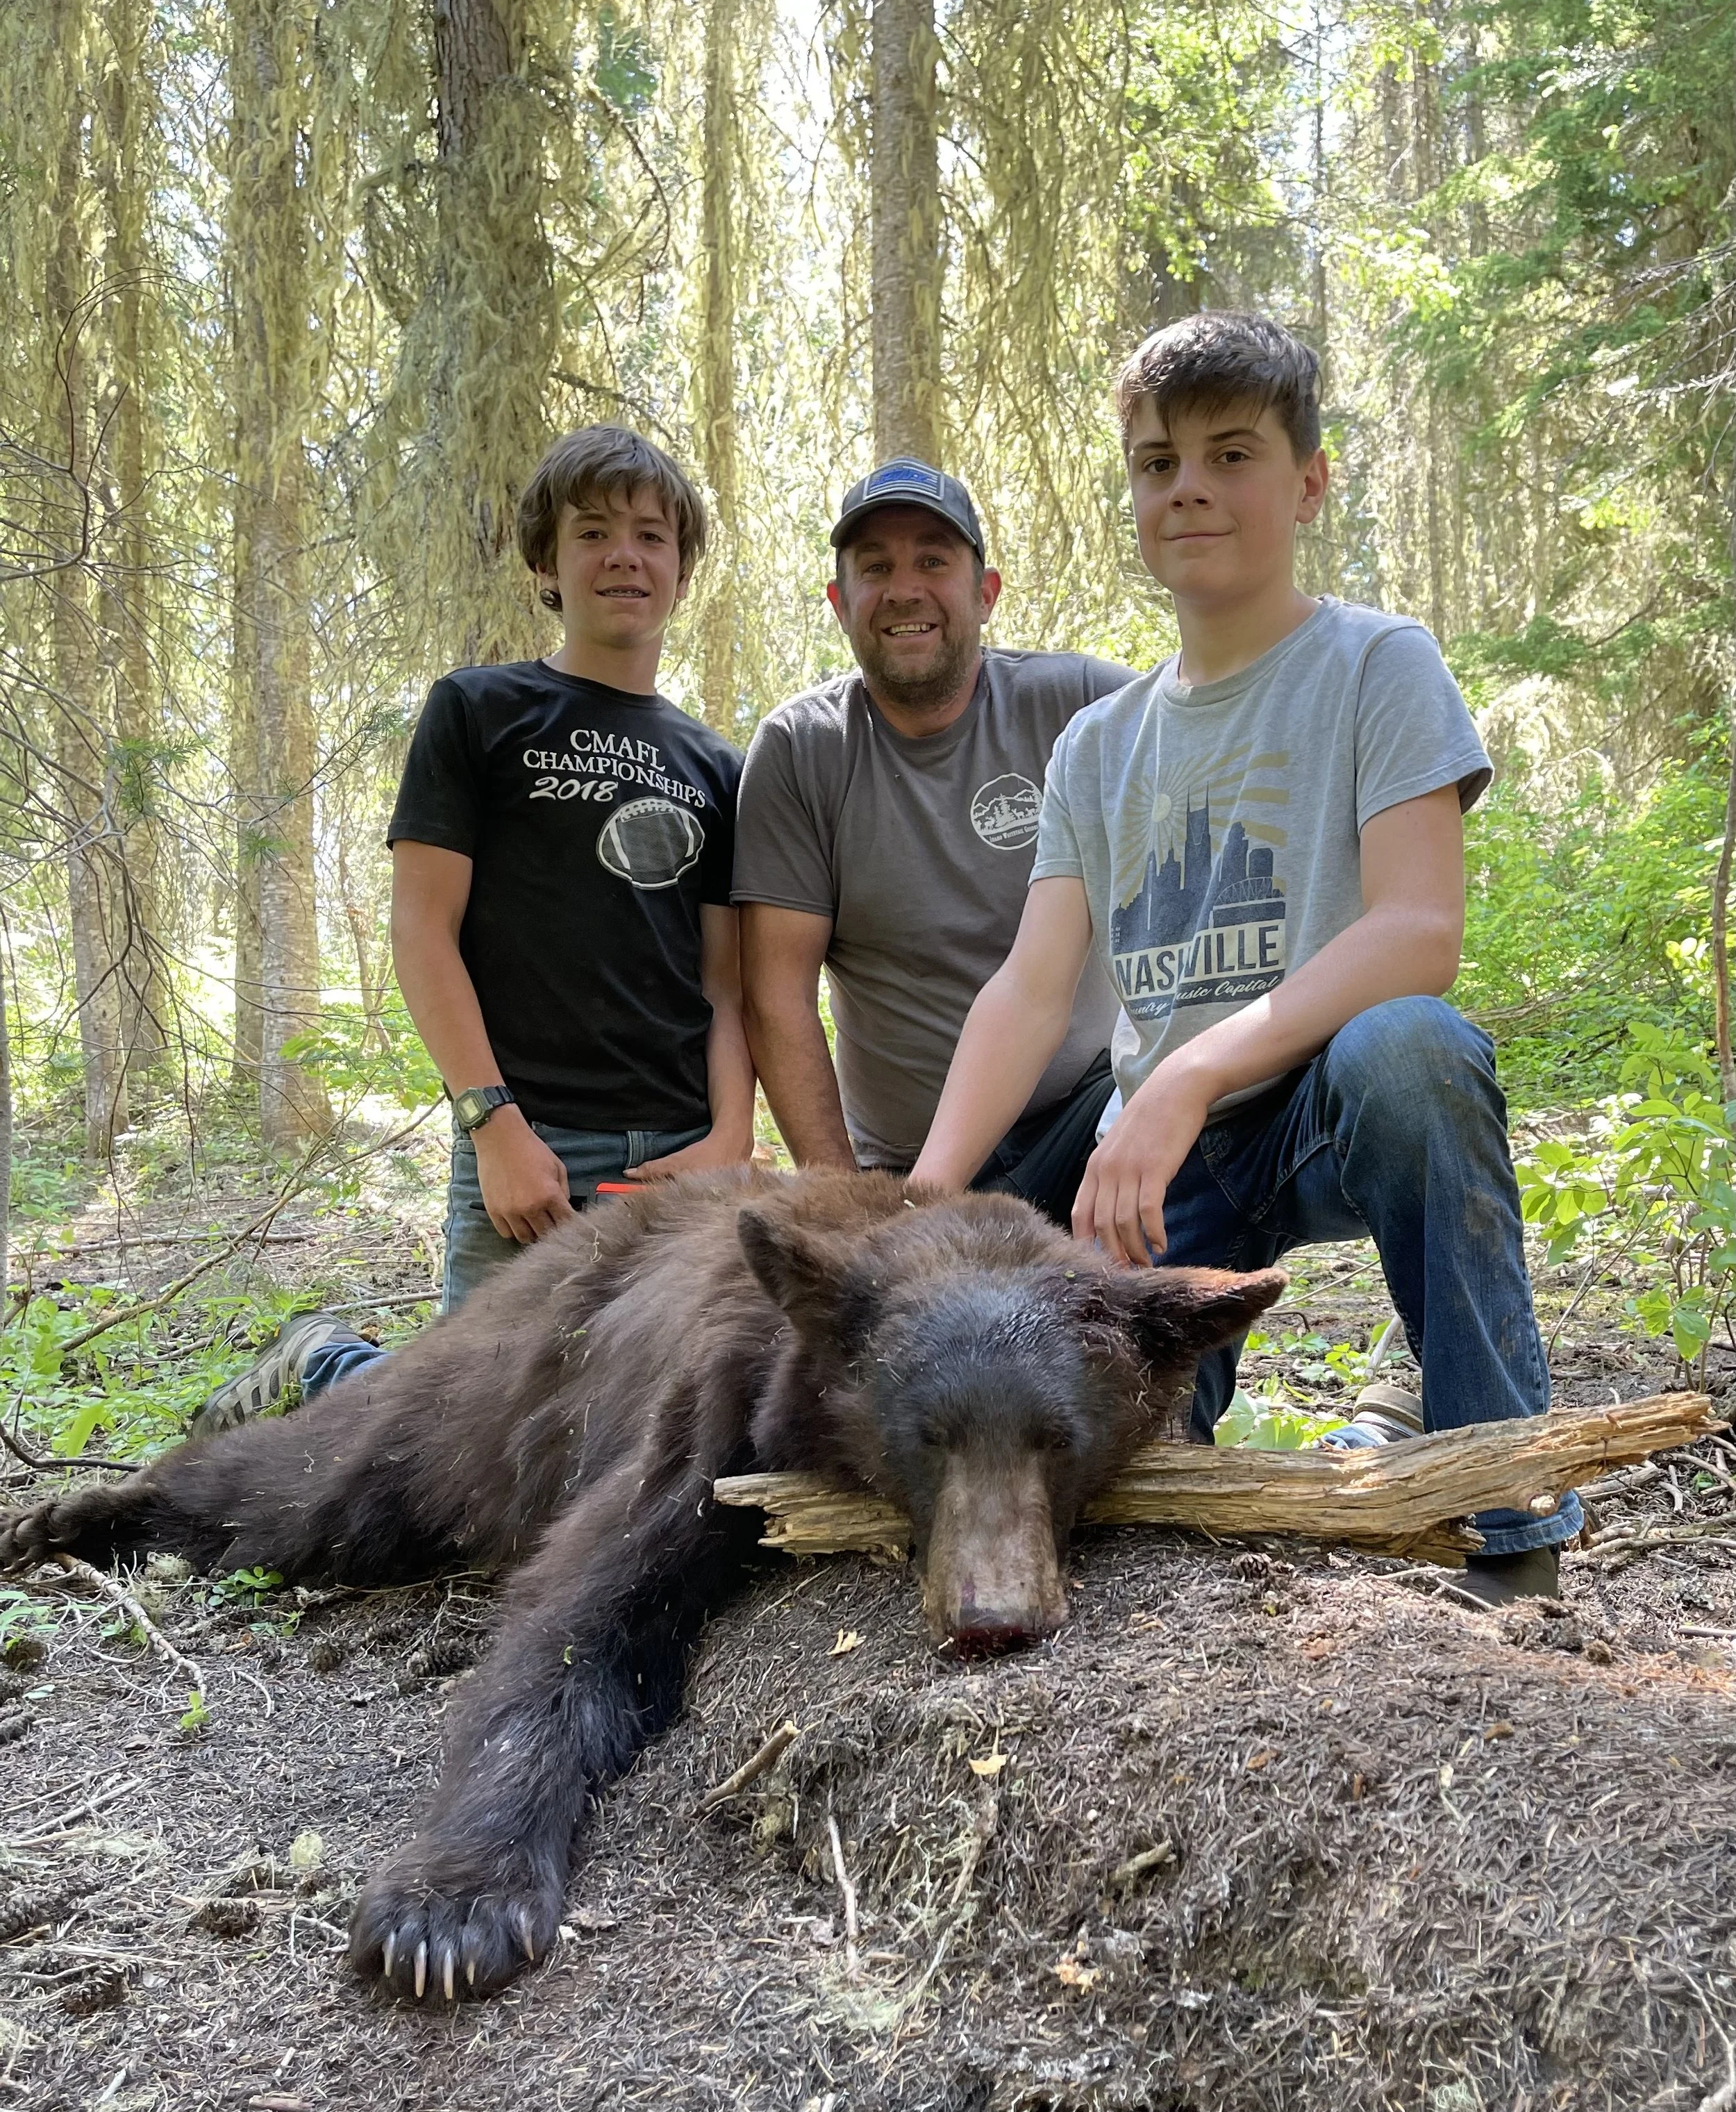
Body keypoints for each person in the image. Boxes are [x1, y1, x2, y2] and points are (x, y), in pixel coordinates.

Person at [910, 312, 1580, 1605]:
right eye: (1159, 464)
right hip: (1163, 1172)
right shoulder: (1100, 745)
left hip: (1326, 1098)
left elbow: (1417, 933)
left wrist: (1191, 1073)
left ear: (1309, 482)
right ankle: (1196, 1466)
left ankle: (1508, 1527)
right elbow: (1034, 984)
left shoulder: (1379, 664)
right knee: (1124, 1481)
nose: (1190, 489)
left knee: (1418, 1050)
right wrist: (927, 1192)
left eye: (1231, 455)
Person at [194, 426, 753, 1431]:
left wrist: (728, 1137)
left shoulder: (715, 764)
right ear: (547, 561)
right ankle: (326, 1367)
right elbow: (423, 929)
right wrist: (494, 1127)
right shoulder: (482, 710)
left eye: (651, 534)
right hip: (532, 1145)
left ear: (680, 567)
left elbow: (723, 981)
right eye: (593, 531)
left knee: (646, 1430)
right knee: (462, 1443)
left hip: (675, 1156)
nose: (625, 554)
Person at [734, 459, 1137, 1222]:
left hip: (1086, 1125)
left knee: (1177, 1202)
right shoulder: (801, 748)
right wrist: (843, 1197)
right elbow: (777, 998)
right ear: (838, 602)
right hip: (907, 1163)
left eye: (932, 559)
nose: (903, 588)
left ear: (985, 593)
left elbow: (1219, 757)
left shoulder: (1085, 703)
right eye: (875, 567)